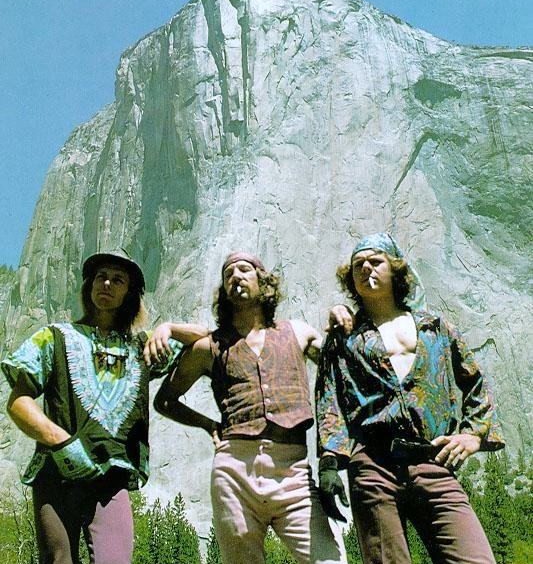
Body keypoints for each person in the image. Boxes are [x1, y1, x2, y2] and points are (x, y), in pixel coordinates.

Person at [2, 251, 207, 564]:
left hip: (112, 480)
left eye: (118, 279)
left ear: (130, 293)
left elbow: (210, 341)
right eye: (101, 276)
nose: (107, 284)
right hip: (57, 475)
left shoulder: (143, 348)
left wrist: (169, 329)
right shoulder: (55, 337)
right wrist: (61, 441)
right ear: (89, 285)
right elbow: (18, 401)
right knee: (59, 560)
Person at [316, 232, 505, 564]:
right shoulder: (345, 338)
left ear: (396, 270)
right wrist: (330, 463)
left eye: (375, 262)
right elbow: (331, 399)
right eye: (358, 265)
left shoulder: (436, 328)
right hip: (373, 467)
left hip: (432, 459)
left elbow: (475, 381)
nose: (365, 269)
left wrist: (473, 435)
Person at [147, 251, 347, 564]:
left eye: (244, 269)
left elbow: (341, 369)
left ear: (264, 282)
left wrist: (339, 314)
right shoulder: (209, 347)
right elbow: (164, 400)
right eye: (228, 274)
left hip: (293, 470)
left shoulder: (298, 332)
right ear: (224, 290)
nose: (236, 276)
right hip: (234, 470)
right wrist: (208, 424)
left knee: (330, 559)